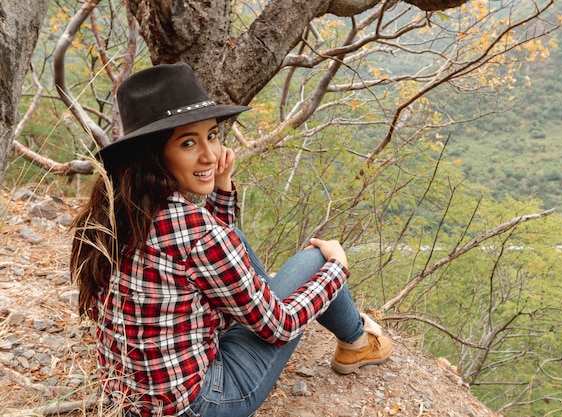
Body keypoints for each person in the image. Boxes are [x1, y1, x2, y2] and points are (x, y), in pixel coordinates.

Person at [70, 62, 392, 417]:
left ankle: (347, 332)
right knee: (314, 261)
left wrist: (222, 184)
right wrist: (336, 268)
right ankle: (357, 342)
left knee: (237, 241)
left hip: (132, 402)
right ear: (154, 154)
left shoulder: (118, 212)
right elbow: (280, 327)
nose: (209, 154)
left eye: (212, 135)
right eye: (188, 142)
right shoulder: (195, 231)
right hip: (201, 405)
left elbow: (216, 251)